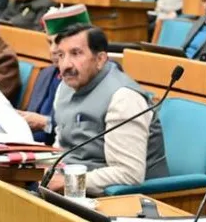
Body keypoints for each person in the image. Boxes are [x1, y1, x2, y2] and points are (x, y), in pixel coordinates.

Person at [47, 23, 168, 196]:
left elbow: (128, 174)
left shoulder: (123, 97)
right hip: (71, 189)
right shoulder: (65, 87)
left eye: (76, 53)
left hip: (123, 200)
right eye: (61, 55)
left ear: (100, 59)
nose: (65, 65)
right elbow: (62, 145)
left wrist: (69, 182)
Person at [19, 4, 91, 146]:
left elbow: (84, 128)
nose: (52, 50)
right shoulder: (46, 73)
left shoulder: (92, 74)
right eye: (49, 42)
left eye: (58, 42)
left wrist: (45, 123)